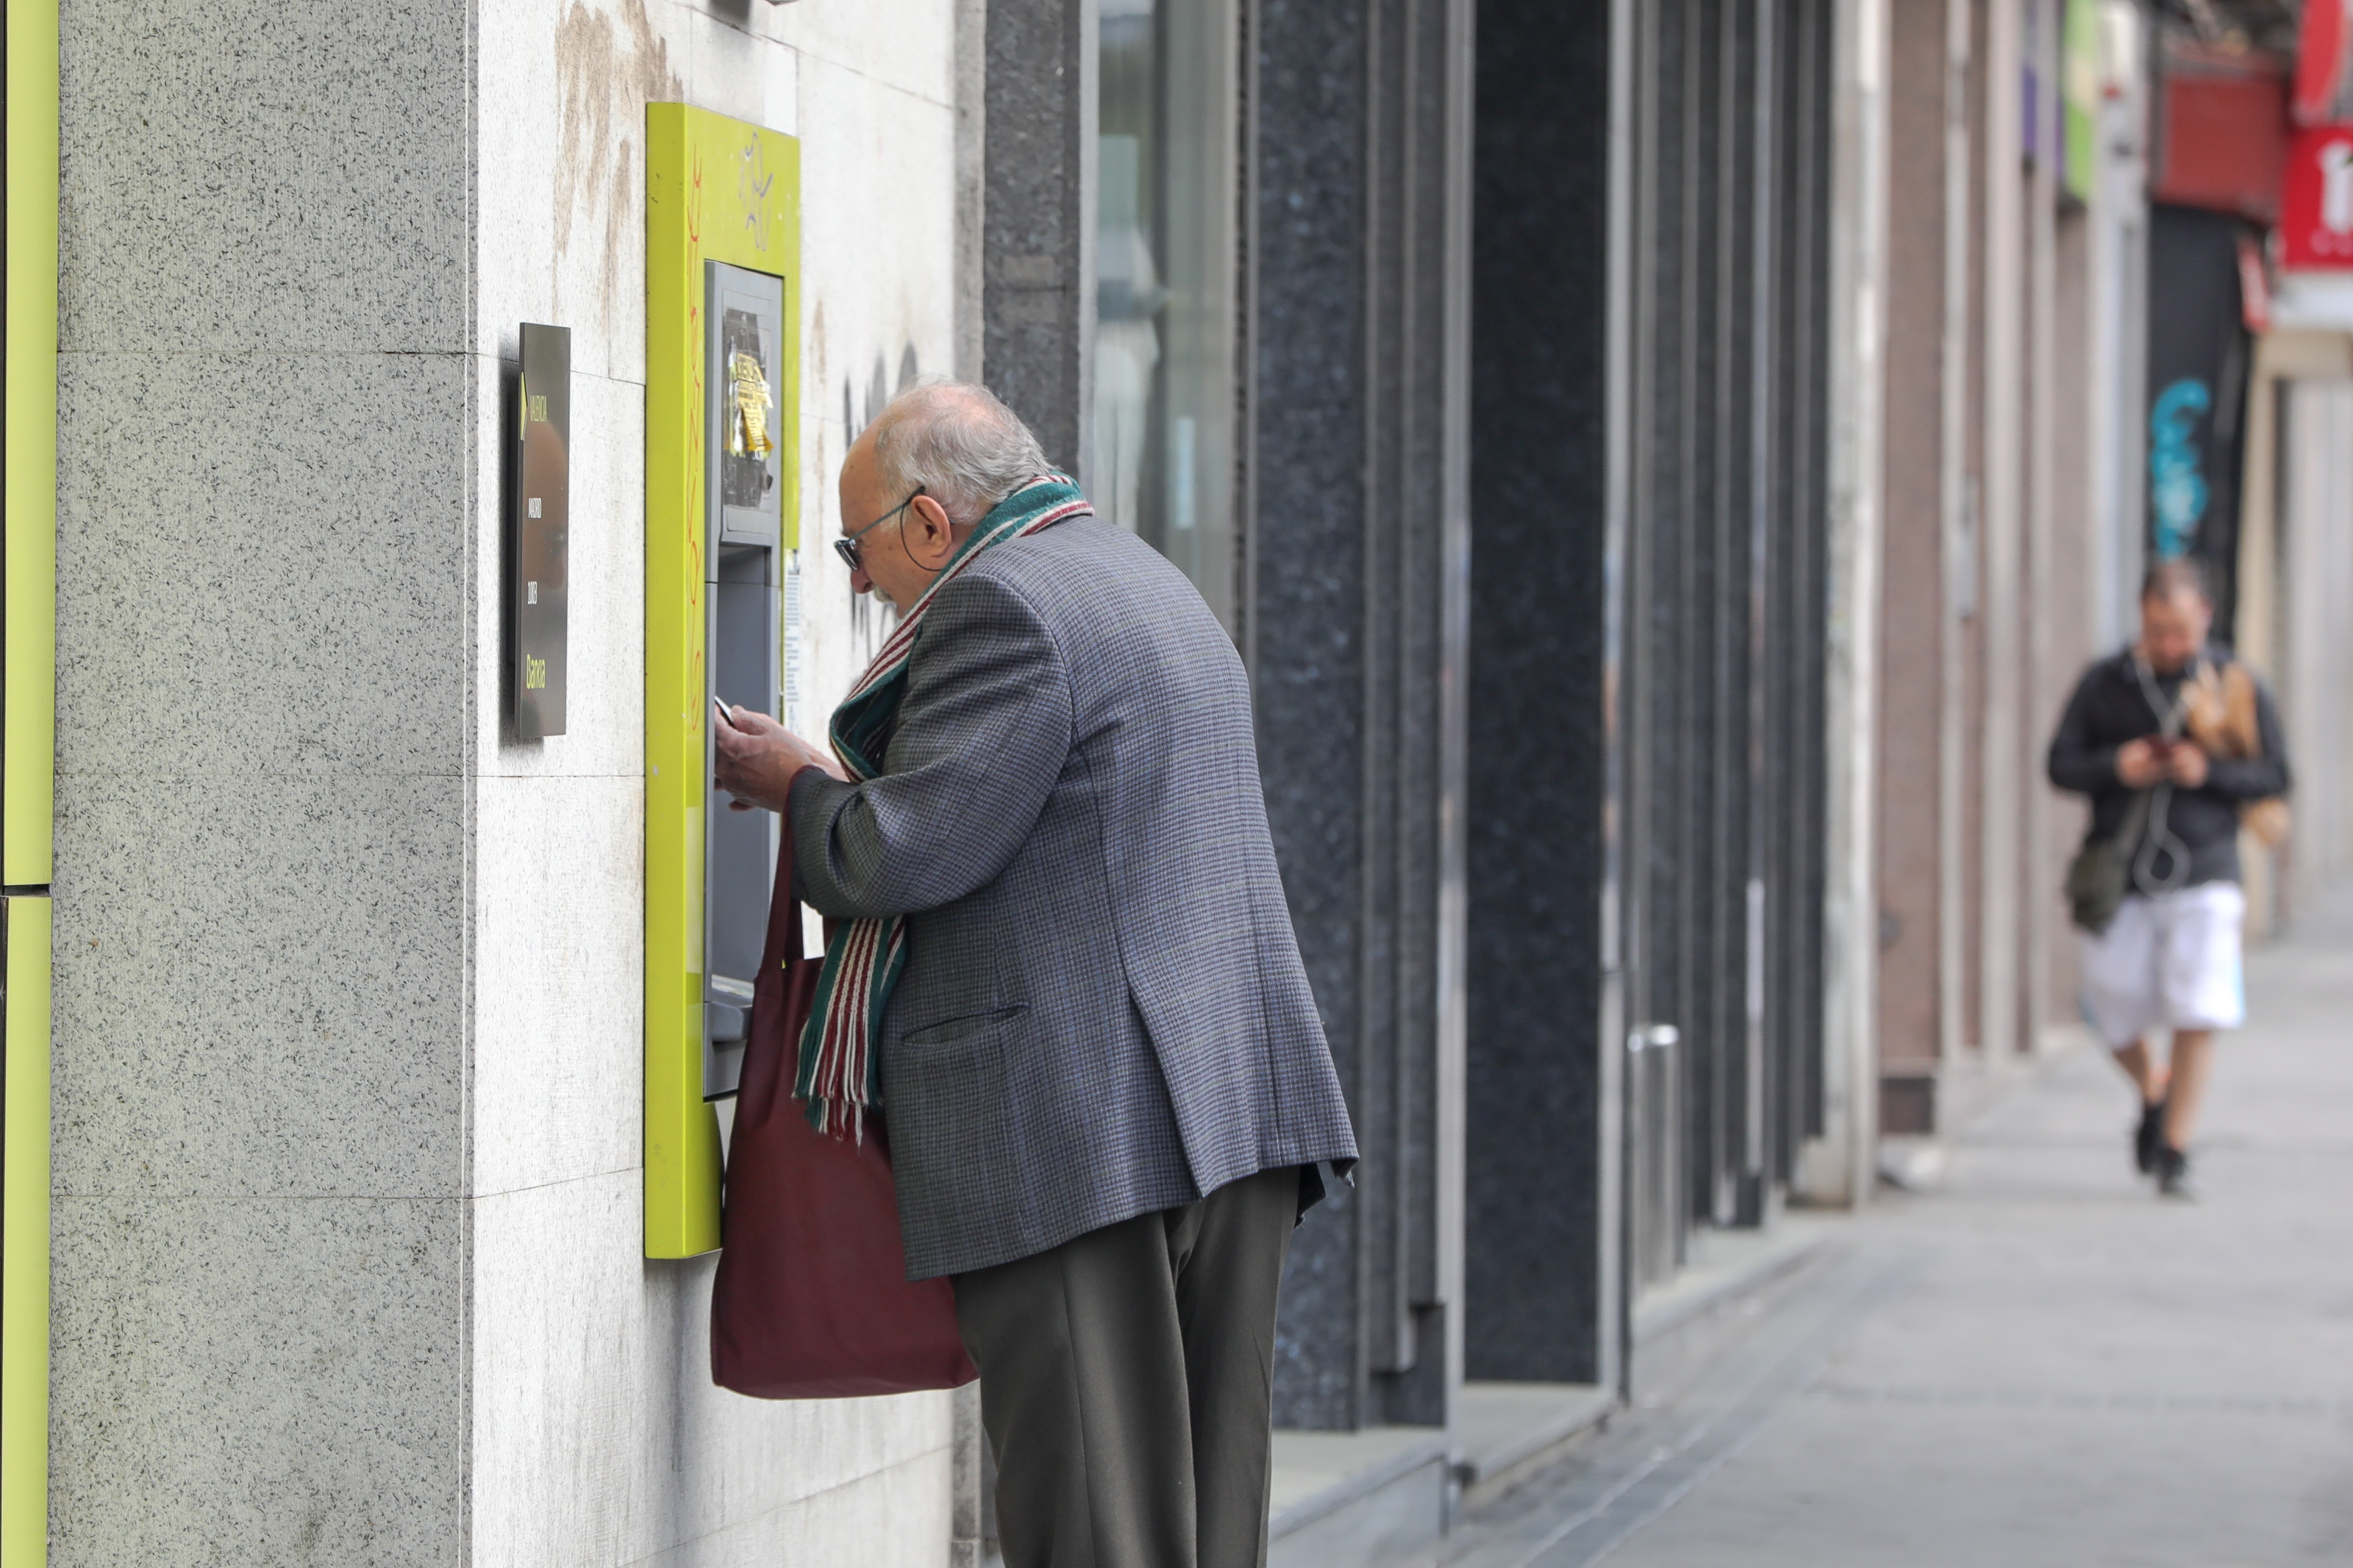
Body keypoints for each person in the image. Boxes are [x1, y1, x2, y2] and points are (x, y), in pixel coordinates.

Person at [713, 379, 1358, 1568]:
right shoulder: (1137, 575)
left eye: (857, 549)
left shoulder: (1000, 606)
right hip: (1222, 1109)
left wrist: (798, 784)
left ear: (926, 522)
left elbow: (901, 851)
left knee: (1095, 1520)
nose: (858, 583)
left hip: (1081, 1127)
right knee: (1206, 1525)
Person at [2047, 558, 2289, 1199]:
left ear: (2204, 618)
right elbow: (2060, 762)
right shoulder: (2106, 683)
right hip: (2123, 871)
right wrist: (2115, 766)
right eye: (2158, 631)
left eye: (2179, 631)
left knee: (2199, 1004)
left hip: (2206, 866)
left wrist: (2203, 772)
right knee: (2110, 999)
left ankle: (2175, 1147)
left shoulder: (2235, 683)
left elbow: (2275, 775)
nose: (2169, 645)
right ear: (2142, 621)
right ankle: (2154, 1086)